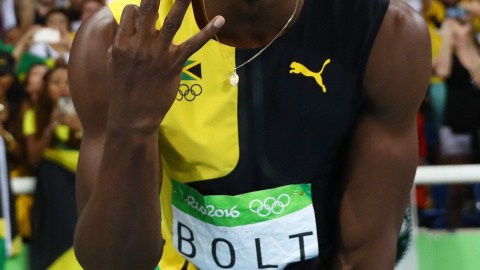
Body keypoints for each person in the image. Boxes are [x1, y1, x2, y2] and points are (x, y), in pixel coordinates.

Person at [69, 0, 431, 269]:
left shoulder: (387, 34)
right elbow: (112, 264)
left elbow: (364, 253)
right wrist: (132, 125)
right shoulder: (114, 40)